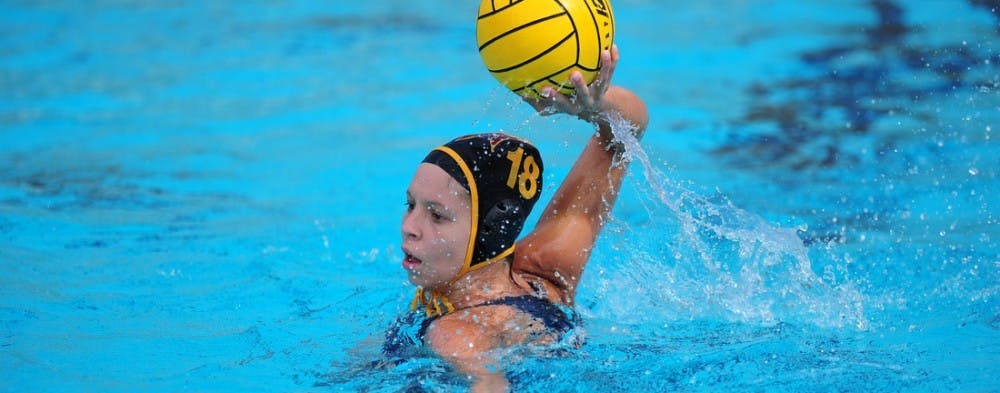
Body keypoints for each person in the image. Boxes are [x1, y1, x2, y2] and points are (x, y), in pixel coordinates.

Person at [384, 45, 648, 392]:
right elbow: (628, 130)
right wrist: (597, 108)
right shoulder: (547, 269)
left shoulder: (454, 332)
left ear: (488, 231)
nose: (409, 227)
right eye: (410, 205)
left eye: (437, 215)